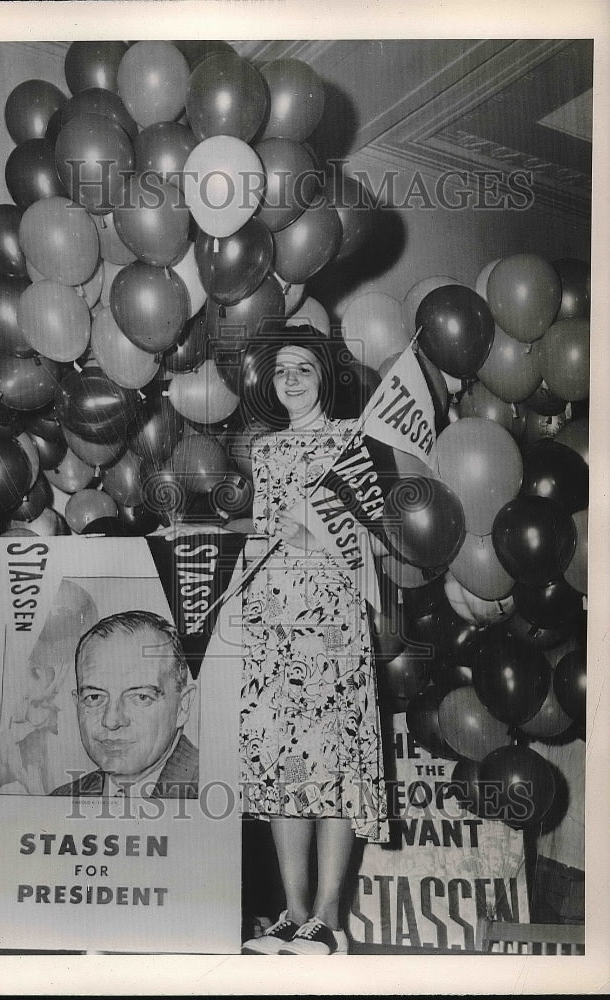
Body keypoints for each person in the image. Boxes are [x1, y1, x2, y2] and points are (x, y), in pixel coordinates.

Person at [239, 326, 389, 956]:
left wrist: (322, 536)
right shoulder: (266, 451)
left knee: (331, 765)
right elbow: (260, 532)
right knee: (281, 767)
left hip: (331, 621)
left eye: (304, 368)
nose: (293, 379)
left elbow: (381, 538)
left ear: (325, 376)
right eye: (282, 371)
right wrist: (236, 592)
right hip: (272, 623)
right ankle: (292, 913)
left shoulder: (351, 441)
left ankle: (329, 917)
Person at [51, 610, 198, 799]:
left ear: (182, 706)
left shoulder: (213, 788)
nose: (111, 721)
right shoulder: (60, 799)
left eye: (141, 697)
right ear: (77, 703)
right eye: (94, 697)